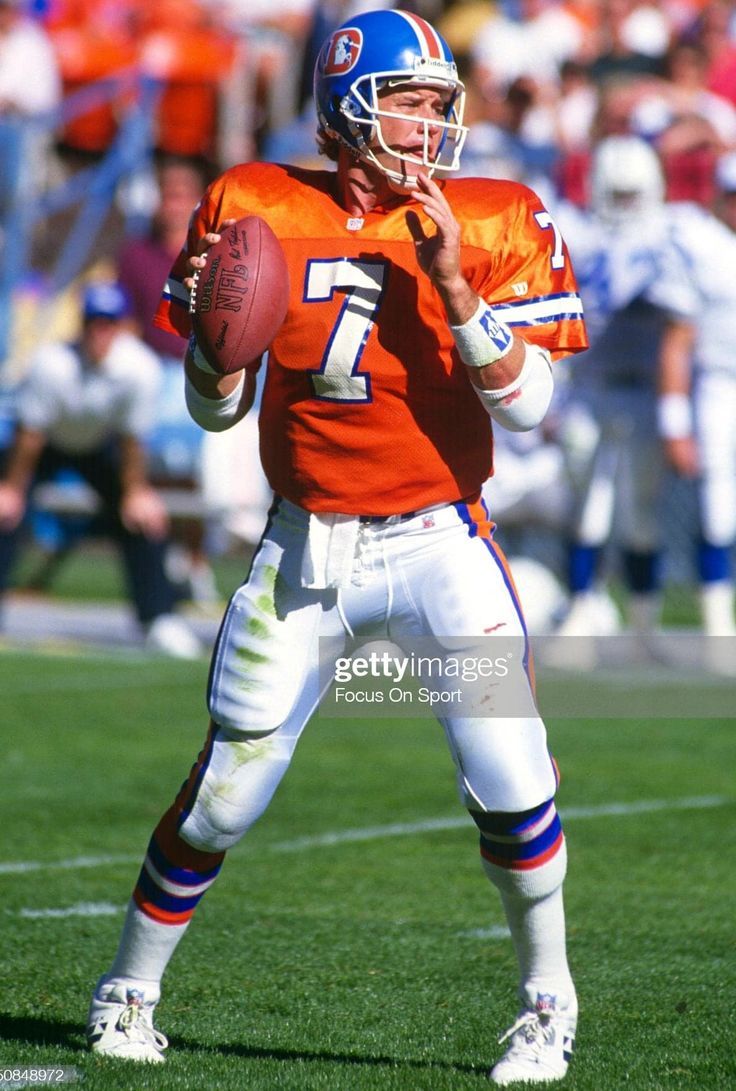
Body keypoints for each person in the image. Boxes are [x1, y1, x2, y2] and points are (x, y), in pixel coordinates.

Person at [86, 9, 588, 1084]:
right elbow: (218, 413)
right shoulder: (255, 203)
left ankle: (547, 999)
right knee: (226, 791)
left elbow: (536, 406)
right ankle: (126, 989)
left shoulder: (495, 217)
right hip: (307, 547)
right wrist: (219, 358)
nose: (430, 123)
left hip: (441, 538)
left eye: (438, 104)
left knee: (510, 777)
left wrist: (455, 287)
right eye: (410, 101)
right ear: (348, 104)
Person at [0, 282, 202, 659]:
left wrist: (136, 492)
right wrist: (10, 489)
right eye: (94, 323)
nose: (100, 333)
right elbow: (29, 437)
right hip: (46, 445)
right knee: (5, 513)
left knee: (142, 519)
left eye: (108, 323)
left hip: (100, 446)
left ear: (122, 326)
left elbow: (131, 440)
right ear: (82, 325)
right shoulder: (51, 364)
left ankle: (158, 618)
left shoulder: (139, 369)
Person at [550, 136, 682, 656]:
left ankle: (644, 625)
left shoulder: (672, 236)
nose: (625, 205)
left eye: (633, 195)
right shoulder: (576, 234)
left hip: (646, 389)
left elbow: (683, 319)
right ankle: (582, 605)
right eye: (618, 194)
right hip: (590, 386)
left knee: (642, 510)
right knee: (585, 505)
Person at [655, 149, 736, 668]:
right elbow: (678, 340)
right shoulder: (700, 244)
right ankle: (717, 627)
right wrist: (675, 420)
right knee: (718, 505)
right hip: (720, 386)